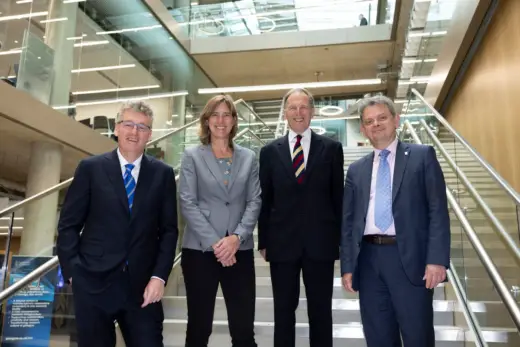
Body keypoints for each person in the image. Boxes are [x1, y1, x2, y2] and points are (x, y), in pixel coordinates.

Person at [57, 101, 178, 347]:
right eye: (129, 124)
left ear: (150, 135)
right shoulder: (91, 168)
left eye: (142, 127)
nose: (134, 132)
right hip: (93, 284)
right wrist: (73, 272)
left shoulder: (163, 174)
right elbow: (68, 225)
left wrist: (159, 277)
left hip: (143, 288)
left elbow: (168, 231)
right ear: (116, 128)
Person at [340, 95, 450, 347]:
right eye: (369, 121)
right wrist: (348, 265)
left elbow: (437, 210)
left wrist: (437, 259)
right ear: (363, 128)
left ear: (396, 120)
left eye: (382, 118)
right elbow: (348, 223)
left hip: (410, 260)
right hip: (368, 262)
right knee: (378, 337)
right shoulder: (356, 169)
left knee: (417, 335)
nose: (376, 124)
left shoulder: (422, 156)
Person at [258, 88, 344, 347]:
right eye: (293, 108)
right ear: (285, 113)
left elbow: (337, 197)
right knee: (283, 312)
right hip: (282, 244)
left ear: (312, 111)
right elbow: (266, 198)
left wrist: (340, 240)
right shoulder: (269, 152)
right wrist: (263, 240)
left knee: (321, 312)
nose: (298, 112)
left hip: (321, 245)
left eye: (303, 107)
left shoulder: (331, 148)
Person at [179, 94, 261, 347]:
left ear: (234, 120)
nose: (221, 120)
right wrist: (217, 244)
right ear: (206, 120)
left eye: (227, 114)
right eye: (215, 114)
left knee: (244, 328)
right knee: (199, 328)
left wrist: (236, 238)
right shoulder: (192, 155)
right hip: (200, 251)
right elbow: (187, 202)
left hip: (239, 250)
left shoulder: (249, 157)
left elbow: (255, 201)